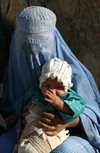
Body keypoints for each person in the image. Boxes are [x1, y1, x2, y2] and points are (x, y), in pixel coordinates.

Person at [0, 6, 100, 153]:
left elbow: (95, 117)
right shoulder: (16, 69)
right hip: (28, 132)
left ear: (53, 40)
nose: (33, 54)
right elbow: (11, 110)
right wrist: (22, 117)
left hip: (72, 134)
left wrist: (66, 122)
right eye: (26, 45)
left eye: (40, 45)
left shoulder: (73, 74)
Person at [14, 57, 85, 153]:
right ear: (41, 85)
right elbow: (22, 102)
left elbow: (78, 107)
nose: (52, 91)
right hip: (29, 132)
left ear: (66, 87)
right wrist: (16, 114)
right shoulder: (35, 92)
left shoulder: (68, 96)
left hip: (50, 134)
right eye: (47, 86)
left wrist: (60, 104)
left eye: (59, 87)